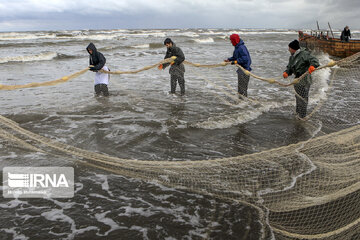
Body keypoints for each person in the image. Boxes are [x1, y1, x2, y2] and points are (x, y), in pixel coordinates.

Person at [283, 40, 320, 119]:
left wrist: (312, 66)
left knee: (303, 99)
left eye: (289, 48)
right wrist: (286, 72)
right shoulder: (292, 57)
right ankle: (298, 114)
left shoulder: (304, 54)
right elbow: (289, 67)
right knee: (298, 98)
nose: (288, 50)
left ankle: (302, 117)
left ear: (293, 49)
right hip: (297, 80)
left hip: (305, 80)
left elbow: (315, 61)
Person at [224, 34, 252, 98]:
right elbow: (235, 57)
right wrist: (229, 59)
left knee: (243, 88)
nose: (231, 42)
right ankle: (242, 101)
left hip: (245, 70)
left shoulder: (241, 48)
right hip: (241, 70)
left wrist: (235, 62)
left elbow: (245, 59)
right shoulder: (237, 47)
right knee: (240, 88)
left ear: (235, 40)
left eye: (231, 40)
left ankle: (244, 102)